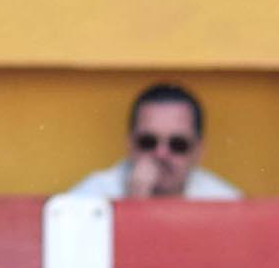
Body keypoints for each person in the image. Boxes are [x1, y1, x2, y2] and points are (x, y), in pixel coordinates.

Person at [68, 82, 242, 201]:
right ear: (130, 144)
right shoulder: (92, 196)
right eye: (148, 142)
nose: (161, 154)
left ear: (198, 150)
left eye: (178, 144)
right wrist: (132, 203)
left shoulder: (223, 201)